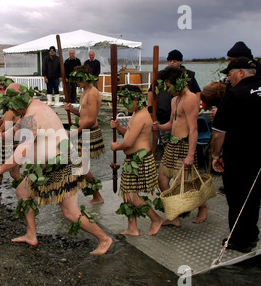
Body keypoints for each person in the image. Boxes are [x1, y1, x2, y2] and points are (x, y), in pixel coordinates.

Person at [0, 83, 113, 255]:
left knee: (71, 213)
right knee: (22, 192)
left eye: (12, 105)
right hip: (50, 167)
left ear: (21, 98)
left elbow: (23, 150)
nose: (11, 110)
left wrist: (1, 168)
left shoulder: (32, 114)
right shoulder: (29, 110)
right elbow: (16, 131)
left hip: (61, 167)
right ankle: (31, 234)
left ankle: (104, 239)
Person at [211, 57, 261, 253]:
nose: (228, 78)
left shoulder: (234, 94)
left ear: (241, 72)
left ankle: (239, 240)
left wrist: (216, 156)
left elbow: (219, 132)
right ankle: (253, 234)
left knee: (237, 198)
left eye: (230, 73)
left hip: (239, 157)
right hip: (258, 156)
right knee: (254, 196)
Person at [152, 66, 209, 225]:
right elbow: (172, 123)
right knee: (162, 180)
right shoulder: (174, 100)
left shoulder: (190, 99)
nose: (166, 89)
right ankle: (175, 215)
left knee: (183, 183)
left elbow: (193, 129)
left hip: (184, 145)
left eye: (168, 86)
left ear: (177, 83)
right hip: (172, 144)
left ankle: (203, 206)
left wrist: (190, 154)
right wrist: (158, 127)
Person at [111, 85, 164, 236]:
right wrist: (119, 127)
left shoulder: (140, 116)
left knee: (131, 195)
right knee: (127, 194)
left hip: (139, 160)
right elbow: (129, 134)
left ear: (135, 99)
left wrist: (116, 146)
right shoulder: (136, 113)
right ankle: (132, 227)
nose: (124, 105)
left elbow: (128, 143)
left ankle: (156, 219)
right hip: (133, 160)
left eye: (126, 101)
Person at [64, 65, 105, 205]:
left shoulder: (93, 92)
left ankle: (97, 196)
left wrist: (76, 131)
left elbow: (92, 119)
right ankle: (75, 193)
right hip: (83, 130)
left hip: (89, 132)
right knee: (77, 165)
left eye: (79, 79)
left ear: (87, 78)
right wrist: (72, 109)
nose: (76, 82)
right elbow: (84, 114)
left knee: (81, 166)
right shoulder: (85, 91)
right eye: (75, 79)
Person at [148, 49, 201, 148]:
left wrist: (196, 107)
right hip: (164, 113)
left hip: (184, 116)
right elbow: (151, 91)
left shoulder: (189, 76)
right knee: (165, 143)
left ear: (180, 62)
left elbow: (198, 91)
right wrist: (150, 109)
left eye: (175, 61)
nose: (172, 63)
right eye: (170, 61)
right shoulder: (160, 75)